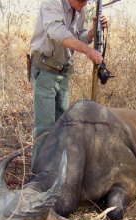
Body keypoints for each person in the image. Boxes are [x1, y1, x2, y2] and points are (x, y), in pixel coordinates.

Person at [30, 0, 108, 169]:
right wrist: (88, 51)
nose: (84, 3)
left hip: (63, 73)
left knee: (62, 127)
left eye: (87, 0)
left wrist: (95, 31)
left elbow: (78, 37)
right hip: (45, 71)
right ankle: (36, 177)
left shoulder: (79, 9)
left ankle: (55, 171)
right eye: (81, 0)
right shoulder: (52, 3)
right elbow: (57, 32)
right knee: (45, 128)